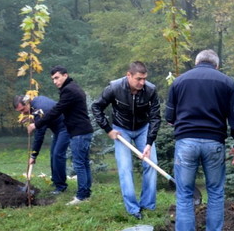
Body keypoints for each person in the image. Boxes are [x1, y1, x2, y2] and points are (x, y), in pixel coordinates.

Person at [165, 49, 234, 231]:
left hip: (186, 142)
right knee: (216, 193)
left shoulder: (179, 81)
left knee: (184, 194)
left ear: (196, 62)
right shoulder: (226, 82)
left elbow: (169, 116)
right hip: (214, 143)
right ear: (216, 65)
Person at [91, 61, 161, 220]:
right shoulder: (114, 88)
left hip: (143, 129)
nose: (142, 83)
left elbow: (155, 117)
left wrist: (149, 143)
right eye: (138, 79)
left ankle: (148, 204)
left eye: (144, 79)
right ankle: (133, 208)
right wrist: (108, 130)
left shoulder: (150, 90)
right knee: (125, 168)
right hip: (121, 130)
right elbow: (96, 107)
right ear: (128, 75)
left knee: (152, 163)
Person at [27, 65, 94, 206]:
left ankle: (81, 196)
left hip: (79, 132)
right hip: (84, 130)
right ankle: (86, 193)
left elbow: (56, 111)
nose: (55, 81)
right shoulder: (72, 87)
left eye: (57, 78)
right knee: (84, 163)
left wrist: (36, 124)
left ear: (65, 75)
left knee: (80, 164)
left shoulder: (69, 90)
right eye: (53, 79)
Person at [14, 95, 70, 195]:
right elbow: (43, 118)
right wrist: (32, 120)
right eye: (20, 111)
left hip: (66, 127)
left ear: (27, 103)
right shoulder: (35, 102)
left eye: (23, 109)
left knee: (58, 155)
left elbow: (39, 135)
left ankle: (61, 187)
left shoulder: (39, 109)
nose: (22, 113)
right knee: (53, 154)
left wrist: (33, 155)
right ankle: (56, 182)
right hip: (59, 129)